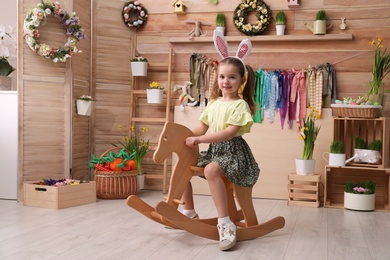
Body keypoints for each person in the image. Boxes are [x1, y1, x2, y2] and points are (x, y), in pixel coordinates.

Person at [183, 53, 260, 251]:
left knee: (211, 170)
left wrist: (199, 140)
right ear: (217, 79)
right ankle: (189, 211)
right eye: (222, 76)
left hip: (234, 153)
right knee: (184, 163)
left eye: (232, 77)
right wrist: (184, 135)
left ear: (241, 80)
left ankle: (225, 223)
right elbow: (201, 128)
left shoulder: (240, 105)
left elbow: (228, 133)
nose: (226, 81)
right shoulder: (213, 104)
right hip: (215, 152)